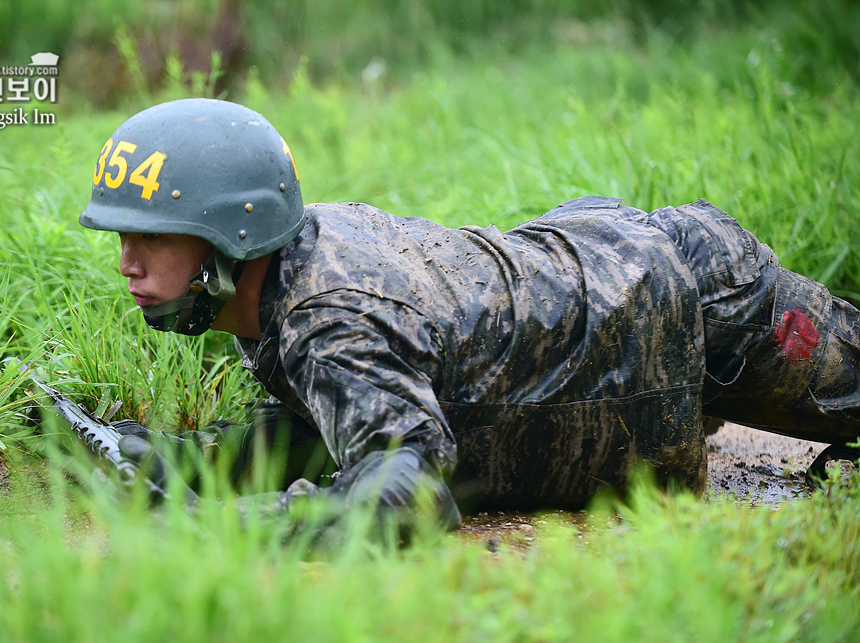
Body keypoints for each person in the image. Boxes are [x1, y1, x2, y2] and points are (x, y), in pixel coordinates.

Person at [77, 98, 860, 531]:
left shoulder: (329, 310)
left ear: (228, 232)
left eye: (151, 237)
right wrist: (178, 463)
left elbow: (407, 496)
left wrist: (209, 522)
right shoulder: (281, 274)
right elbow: (337, 427)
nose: (127, 265)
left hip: (694, 298)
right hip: (615, 291)